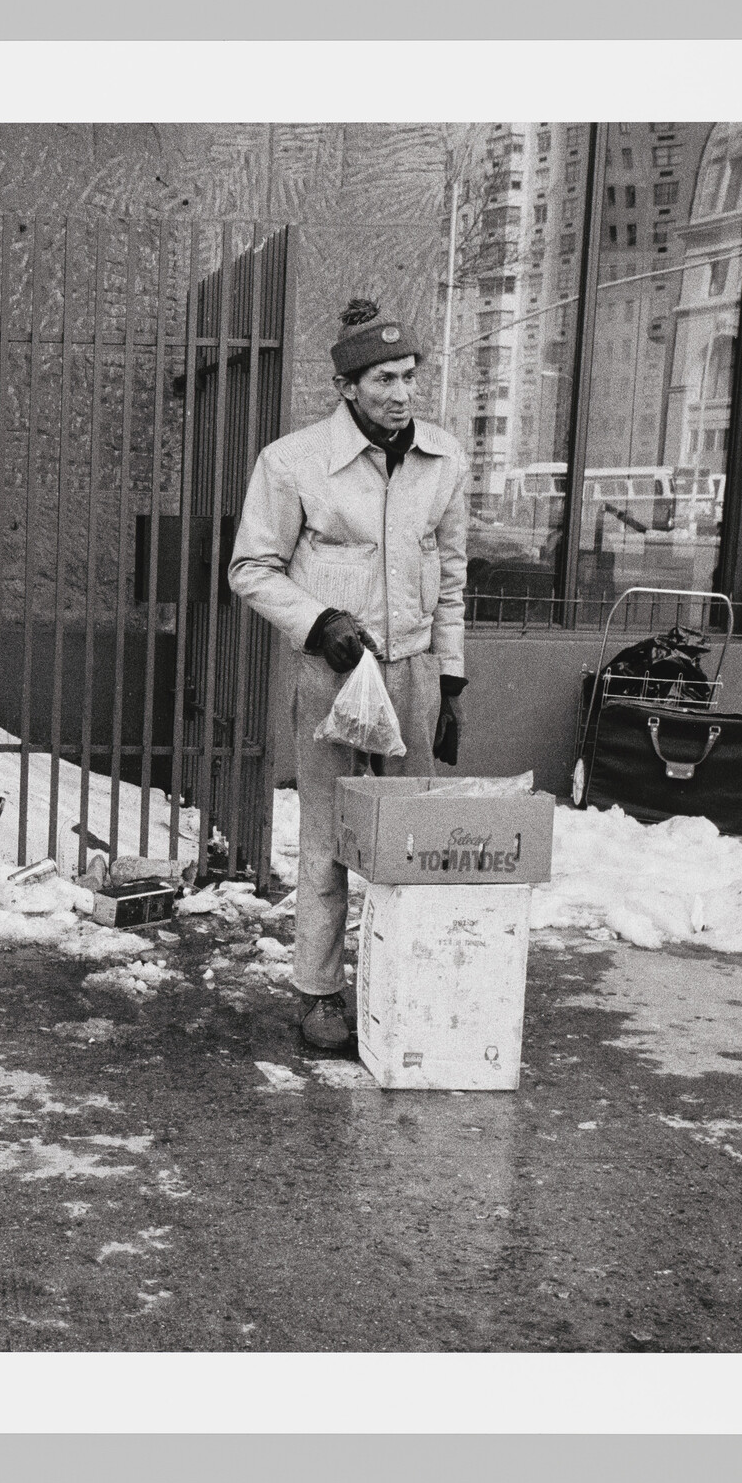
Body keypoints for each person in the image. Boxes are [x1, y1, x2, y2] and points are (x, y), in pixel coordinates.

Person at [228, 300, 469, 1051]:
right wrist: (317, 621)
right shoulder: (292, 461)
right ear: (346, 386)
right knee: (330, 834)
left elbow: (454, 575)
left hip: (414, 672)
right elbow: (250, 568)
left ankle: (414, 974)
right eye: (384, 379)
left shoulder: (444, 458)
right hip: (336, 675)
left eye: (409, 377)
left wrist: (451, 678)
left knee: (417, 835)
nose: (401, 394)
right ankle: (319, 990)